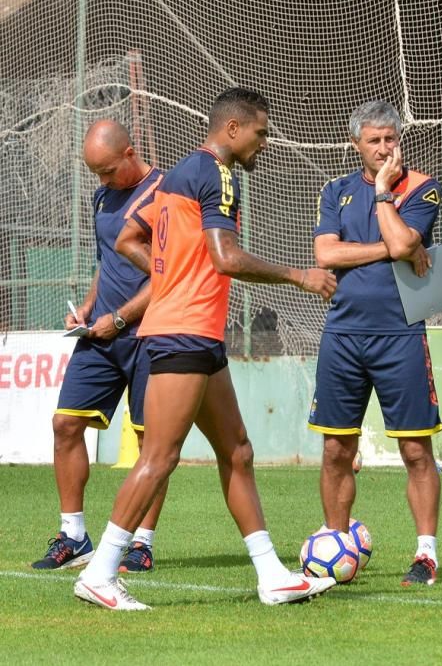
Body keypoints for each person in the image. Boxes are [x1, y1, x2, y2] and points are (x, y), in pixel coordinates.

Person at [73, 87, 338, 610]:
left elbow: (129, 237)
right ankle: (100, 573)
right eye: (261, 133)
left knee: (237, 452)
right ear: (233, 129)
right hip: (183, 332)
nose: (265, 143)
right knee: (159, 457)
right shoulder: (217, 174)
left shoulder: (177, 173)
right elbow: (226, 257)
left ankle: (271, 575)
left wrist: (170, 276)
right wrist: (300, 275)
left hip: (198, 333)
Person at [308, 100, 442, 586]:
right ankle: (335, 541)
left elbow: (410, 243)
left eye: (391, 139)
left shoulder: (422, 186)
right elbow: (325, 252)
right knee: (335, 450)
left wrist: (385, 195)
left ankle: (425, 554)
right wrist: (392, 248)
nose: (385, 148)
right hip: (342, 335)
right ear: (356, 144)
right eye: (374, 141)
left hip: (402, 334)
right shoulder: (336, 190)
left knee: (414, 450)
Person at [32, 120, 168, 573]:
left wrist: (124, 317)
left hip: (153, 334)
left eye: (108, 171)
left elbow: (171, 277)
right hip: (101, 336)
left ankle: (141, 545)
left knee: (153, 442)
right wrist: (89, 309)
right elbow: (106, 262)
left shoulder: (167, 195)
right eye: (96, 174)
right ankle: (73, 536)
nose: (103, 181)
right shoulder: (102, 195)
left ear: (130, 153)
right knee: (65, 424)